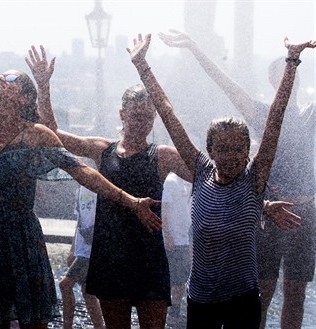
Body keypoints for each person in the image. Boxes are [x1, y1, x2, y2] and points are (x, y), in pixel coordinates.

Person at [0, 65, 162, 329]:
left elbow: (82, 171)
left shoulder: (36, 134)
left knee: (31, 319)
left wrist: (130, 200)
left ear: (25, 98)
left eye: (12, 79)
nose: (2, 78)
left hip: (21, 237)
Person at [129, 33, 315, 328]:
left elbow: (276, 119)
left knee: (292, 294)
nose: (230, 157)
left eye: (238, 149)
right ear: (210, 150)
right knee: (261, 294)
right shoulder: (202, 169)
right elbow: (167, 112)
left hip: (245, 295)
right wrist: (142, 66)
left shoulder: (256, 175)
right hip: (203, 298)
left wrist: (292, 60)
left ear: (247, 152)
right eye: (223, 149)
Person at [26, 45, 191, 329]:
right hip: (112, 256)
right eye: (136, 116)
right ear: (122, 114)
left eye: (148, 117)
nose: (142, 123)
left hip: (149, 257)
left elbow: (208, 174)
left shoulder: (162, 156)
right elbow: (53, 134)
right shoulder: (104, 151)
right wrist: (44, 84)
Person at [59, 186, 105, 329]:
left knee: (64, 285)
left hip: (91, 251)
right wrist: (74, 248)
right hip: (82, 250)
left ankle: (67, 327)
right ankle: (99, 326)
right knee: (87, 292)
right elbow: (79, 221)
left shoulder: (100, 187)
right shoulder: (80, 188)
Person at [161, 172, 192, 327]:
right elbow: (164, 209)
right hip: (174, 239)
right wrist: (167, 236)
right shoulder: (171, 181)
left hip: (184, 238)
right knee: (175, 281)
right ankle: (169, 315)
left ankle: (174, 314)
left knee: (181, 280)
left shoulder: (185, 181)